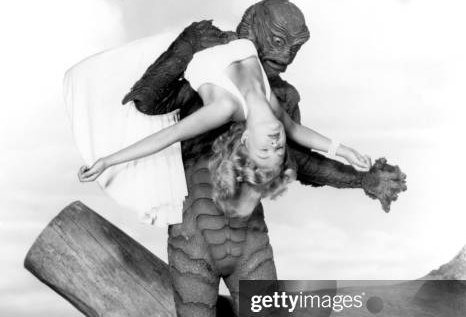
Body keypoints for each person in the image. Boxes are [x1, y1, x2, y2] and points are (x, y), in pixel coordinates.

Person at [78, 38, 371, 215]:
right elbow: (295, 130)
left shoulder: (225, 108)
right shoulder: (270, 106)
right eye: (278, 149)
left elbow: (168, 135)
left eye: (264, 149)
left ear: (245, 140)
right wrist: (343, 151)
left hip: (180, 42)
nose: (276, 142)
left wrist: (107, 161)